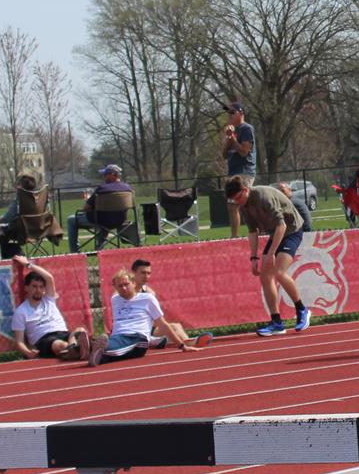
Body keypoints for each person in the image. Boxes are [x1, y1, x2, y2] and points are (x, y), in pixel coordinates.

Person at [226, 174, 312, 335]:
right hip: (276, 233)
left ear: (245, 190)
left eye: (238, 197)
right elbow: (252, 232)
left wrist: (271, 253)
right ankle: (276, 322)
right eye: (233, 200)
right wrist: (254, 257)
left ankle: (302, 309)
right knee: (265, 276)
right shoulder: (243, 205)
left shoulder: (263, 196)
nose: (237, 202)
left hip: (291, 230)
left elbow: (282, 226)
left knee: (279, 272)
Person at [9, 260, 90, 360]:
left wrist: (27, 264)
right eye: (34, 286)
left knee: (80, 331)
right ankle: (82, 351)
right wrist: (28, 352)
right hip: (44, 340)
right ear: (27, 288)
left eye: (41, 287)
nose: (38, 290)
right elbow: (19, 341)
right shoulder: (21, 312)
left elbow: (49, 278)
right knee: (59, 345)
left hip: (64, 333)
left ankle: (75, 350)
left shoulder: (49, 300)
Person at [88, 269, 165, 365]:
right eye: (120, 286)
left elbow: (163, 323)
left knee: (112, 346)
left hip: (137, 338)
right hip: (117, 337)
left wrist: (181, 345)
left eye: (126, 284)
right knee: (113, 345)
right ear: (115, 287)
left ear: (134, 283)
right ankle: (92, 352)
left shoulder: (147, 298)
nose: (124, 288)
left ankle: (93, 350)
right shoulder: (115, 300)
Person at [129, 258, 205, 349]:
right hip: (130, 332)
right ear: (133, 273)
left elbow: (156, 319)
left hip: (147, 330)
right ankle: (186, 344)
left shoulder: (150, 293)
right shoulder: (124, 292)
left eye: (148, 273)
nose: (146, 276)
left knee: (176, 326)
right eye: (143, 272)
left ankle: (187, 343)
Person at [67, 164, 135, 252]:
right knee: (105, 218)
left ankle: (74, 252)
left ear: (113, 174)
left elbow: (86, 208)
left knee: (71, 220)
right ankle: (99, 248)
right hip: (120, 221)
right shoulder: (128, 188)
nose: (104, 177)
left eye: (105, 174)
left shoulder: (102, 189)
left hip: (99, 220)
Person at [221, 103, 257, 237]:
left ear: (241, 114)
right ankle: (238, 236)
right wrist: (229, 138)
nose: (229, 116)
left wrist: (233, 138)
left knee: (235, 205)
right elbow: (224, 154)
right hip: (233, 172)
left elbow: (243, 152)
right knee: (234, 206)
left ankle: (238, 236)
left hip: (245, 171)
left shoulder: (247, 129)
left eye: (232, 113)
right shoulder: (231, 131)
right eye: (228, 113)